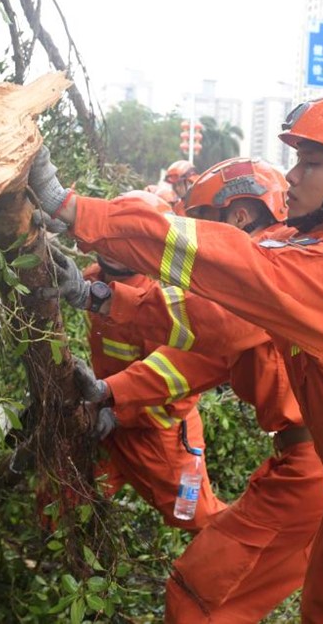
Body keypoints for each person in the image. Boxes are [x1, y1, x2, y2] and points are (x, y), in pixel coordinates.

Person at [30, 94, 323, 622]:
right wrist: (105, 304)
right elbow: (215, 320)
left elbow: (234, 270)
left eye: (311, 163)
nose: (292, 177)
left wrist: (77, 211)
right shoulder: (311, 253)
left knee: (197, 601)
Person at [50, 159, 323, 623]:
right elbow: (193, 359)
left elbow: (189, 355)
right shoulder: (265, 277)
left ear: (238, 217)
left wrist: (111, 393)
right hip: (307, 463)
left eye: (204, 225)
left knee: (200, 570)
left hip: (165, 434)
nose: (200, 247)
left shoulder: (267, 275)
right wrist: (108, 392)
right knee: (69, 498)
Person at [68, 190, 232, 531]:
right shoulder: (94, 278)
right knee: (64, 503)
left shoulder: (168, 301)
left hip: (161, 435)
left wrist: (118, 412)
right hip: (106, 419)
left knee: (199, 519)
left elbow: (178, 387)